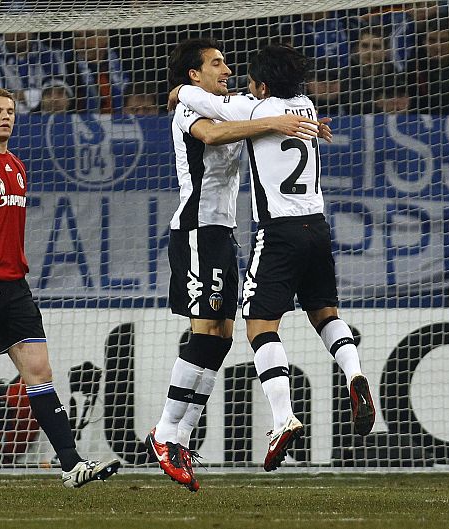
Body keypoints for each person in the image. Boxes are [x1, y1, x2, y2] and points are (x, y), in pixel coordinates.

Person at [170, 43, 376, 473]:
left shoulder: (252, 109)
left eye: (244, 75)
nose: (233, 75)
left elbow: (197, 100)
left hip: (279, 232)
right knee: (325, 313)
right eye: (218, 64)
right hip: (318, 227)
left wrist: (177, 92)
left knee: (260, 327)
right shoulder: (305, 107)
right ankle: (354, 373)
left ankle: (282, 418)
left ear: (261, 85)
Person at [146, 38, 324, 493]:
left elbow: (240, 111)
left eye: (226, 62)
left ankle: (181, 438)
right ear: (194, 74)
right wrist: (272, 121)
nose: (227, 68)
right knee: (205, 331)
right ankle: (165, 432)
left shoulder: (231, 103)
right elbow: (211, 135)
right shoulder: (192, 110)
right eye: (216, 63)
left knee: (223, 337)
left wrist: (283, 120)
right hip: (195, 230)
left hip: (221, 232)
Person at [0, 87, 120, 488]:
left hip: (14, 287)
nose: (5, 117)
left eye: (10, 111)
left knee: (39, 370)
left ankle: (72, 464)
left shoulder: (16, 165)